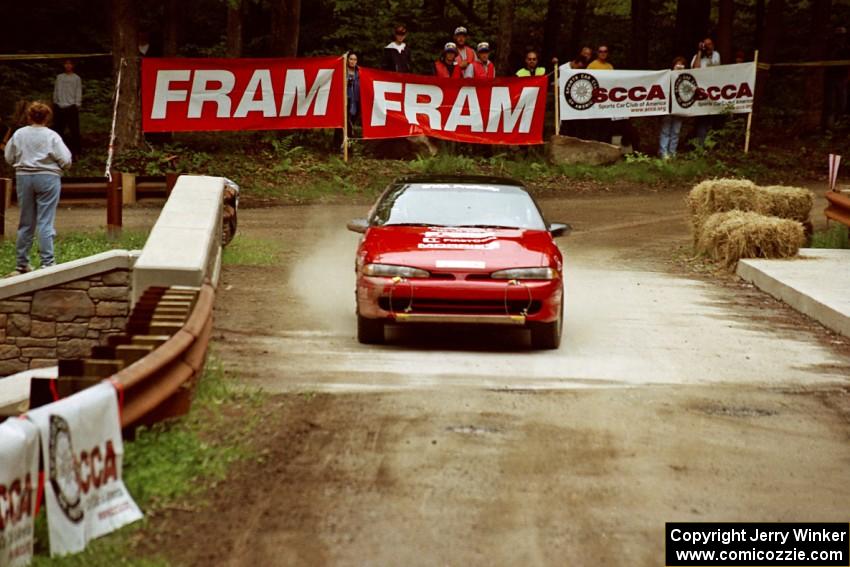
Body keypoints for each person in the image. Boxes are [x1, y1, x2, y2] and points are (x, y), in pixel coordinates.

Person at [4, 102, 71, 275]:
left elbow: (9, 156)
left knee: (26, 221)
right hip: (48, 177)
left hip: (24, 177)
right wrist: (59, 167)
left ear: (28, 116)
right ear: (47, 117)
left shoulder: (19, 134)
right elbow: (66, 159)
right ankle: (47, 263)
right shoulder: (52, 136)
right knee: (45, 221)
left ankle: (21, 264)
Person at [691, 37, 721, 145]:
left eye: (710, 44)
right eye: (705, 44)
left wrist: (709, 52)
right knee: (701, 119)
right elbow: (695, 68)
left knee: (711, 119)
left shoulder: (716, 54)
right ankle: (700, 145)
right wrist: (700, 52)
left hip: (712, 91)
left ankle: (710, 144)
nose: (708, 46)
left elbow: (715, 65)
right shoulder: (697, 56)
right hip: (700, 92)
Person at [659, 57, 688, 159]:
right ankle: (663, 152)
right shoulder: (667, 77)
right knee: (666, 130)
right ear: (673, 65)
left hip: (679, 108)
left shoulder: (686, 78)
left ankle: (672, 152)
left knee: (676, 131)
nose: (679, 66)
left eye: (682, 64)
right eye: (677, 64)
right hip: (668, 107)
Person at [52, 59, 81, 156]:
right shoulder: (59, 77)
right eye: (66, 64)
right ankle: (57, 151)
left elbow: (78, 91)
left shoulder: (76, 78)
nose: (68, 66)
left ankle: (76, 152)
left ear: (73, 66)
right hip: (59, 107)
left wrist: (77, 104)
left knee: (74, 130)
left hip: (71, 106)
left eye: (70, 64)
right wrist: (55, 102)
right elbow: (56, 90)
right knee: (58, 130)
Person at [334, 52, 361, 151]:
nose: (353, 61)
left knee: (351, 123)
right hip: (345, 100)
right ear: (347, 60)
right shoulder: (342, 71)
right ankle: (338, 146)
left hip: (356, 101)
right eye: (351, 59)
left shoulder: (359, 72)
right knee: (344, 124)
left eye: (355, 59)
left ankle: (348, 146)